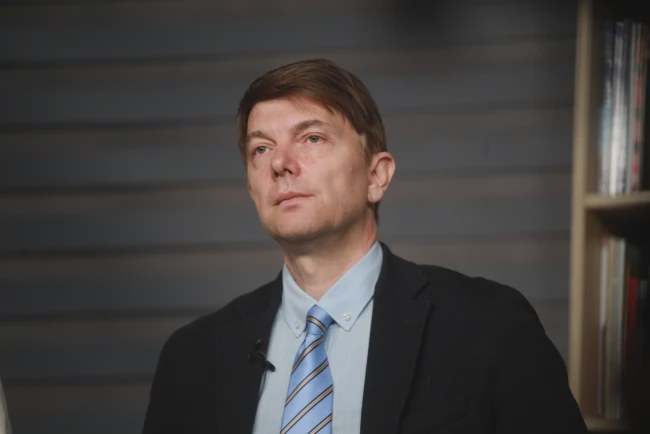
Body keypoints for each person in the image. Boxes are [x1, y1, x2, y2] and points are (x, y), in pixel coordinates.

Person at [143, 58, 587, 434]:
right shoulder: (191, 357)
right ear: (251, 187)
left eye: (312, 138)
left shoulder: (489, 325)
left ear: (377, 176)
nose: (279, 163)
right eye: (261, 149)